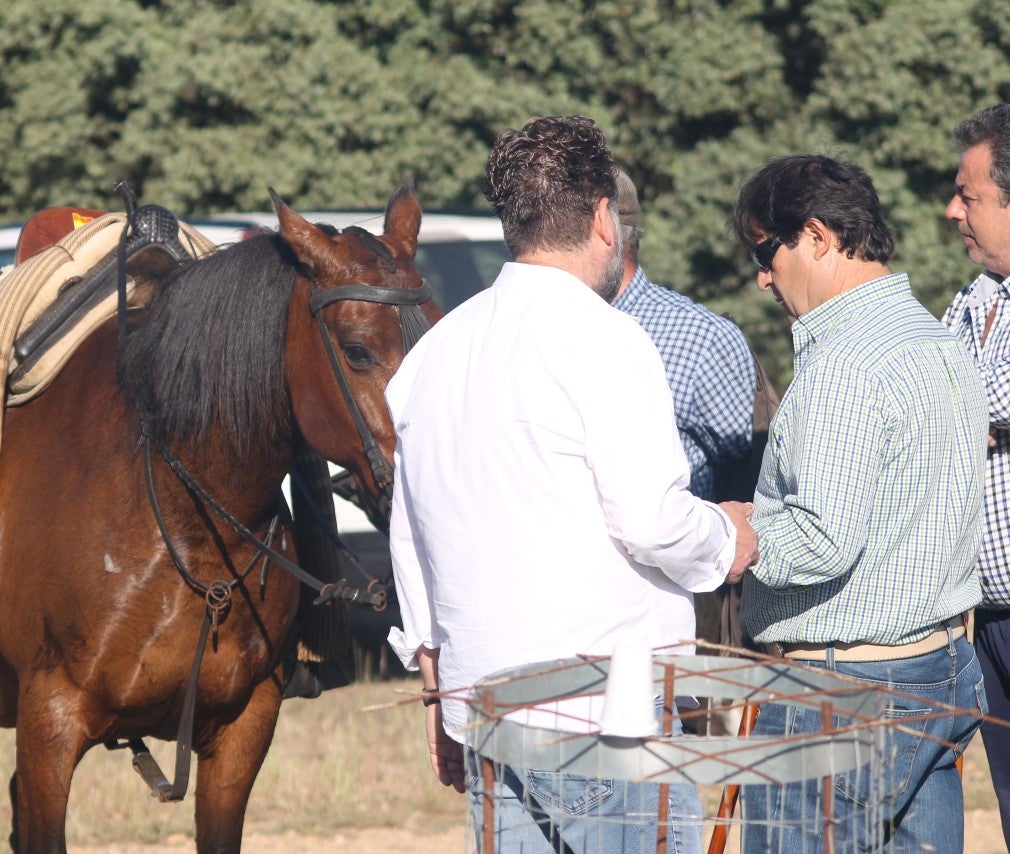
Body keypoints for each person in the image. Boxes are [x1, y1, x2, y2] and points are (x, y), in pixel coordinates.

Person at [385, 114, 758, 853]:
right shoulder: (609, 338)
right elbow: (651, 522)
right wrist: (729, 538)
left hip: (485, 706)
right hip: (603, 719)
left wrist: (438, 692)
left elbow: (413, 545)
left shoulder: (436, 351)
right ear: (602, 219)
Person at [733, 154, 987, 852]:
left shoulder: (845, 363)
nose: (762, 276)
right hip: (938, 669)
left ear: (816, 236)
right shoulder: (936, 339)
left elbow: (822, 539)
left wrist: (736, 537)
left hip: (841, 691)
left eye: (765, 250)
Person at [942, 102, 1010, 851]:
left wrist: (965, 412)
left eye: (971, 195)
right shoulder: (974, 298)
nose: (953, 209)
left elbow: (969, 400)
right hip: (987, 613)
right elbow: (937, 398)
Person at [611, 168, 758, 502]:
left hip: (675, 550)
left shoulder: (704, 337)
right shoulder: (547, 325)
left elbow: (743, 470)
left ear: (608, 235)